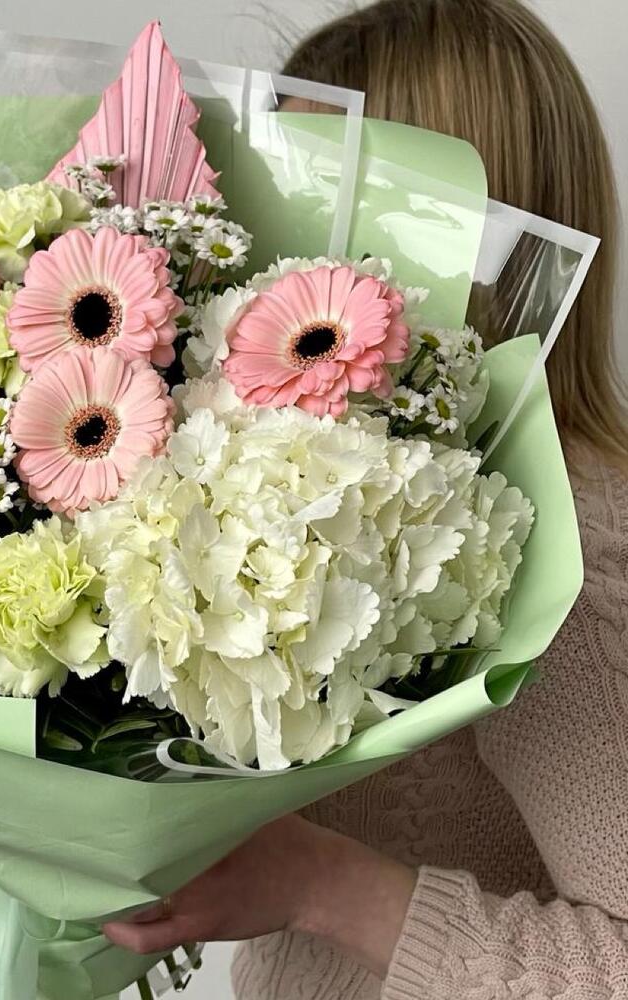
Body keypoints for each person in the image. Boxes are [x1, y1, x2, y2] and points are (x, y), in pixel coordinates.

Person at [102, 1, 628, 996]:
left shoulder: (569, 554)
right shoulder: (337, 485)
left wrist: (319, 885)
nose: (275, 242)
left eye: (317, 188)